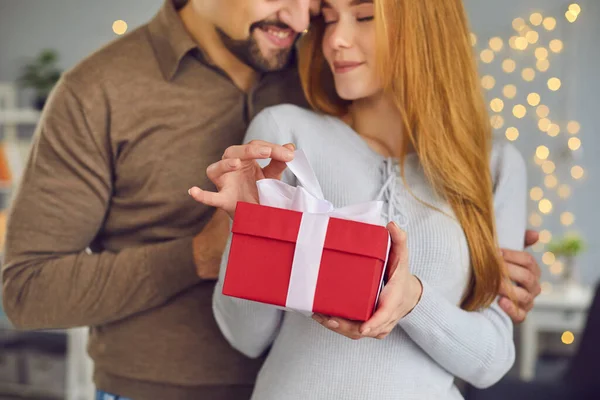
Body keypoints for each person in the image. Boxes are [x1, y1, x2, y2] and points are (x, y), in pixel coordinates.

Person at [1, 0, 539, 399]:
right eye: (325, 14)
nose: (312, 26)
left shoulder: (303, 65)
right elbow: (26, 290)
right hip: (157, 389)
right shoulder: (100, 91)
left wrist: (481, 267)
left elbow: (486, 341)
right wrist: (225, 244)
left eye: (317, 7)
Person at [188, 0, 538, 398]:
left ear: (426, 27)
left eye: (365, 17)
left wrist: (412, 300)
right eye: (330, 19)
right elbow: (244, 336)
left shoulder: (495, 166)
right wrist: (252, 228)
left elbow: (491, 361)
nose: (335, 40)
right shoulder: (286, 134)